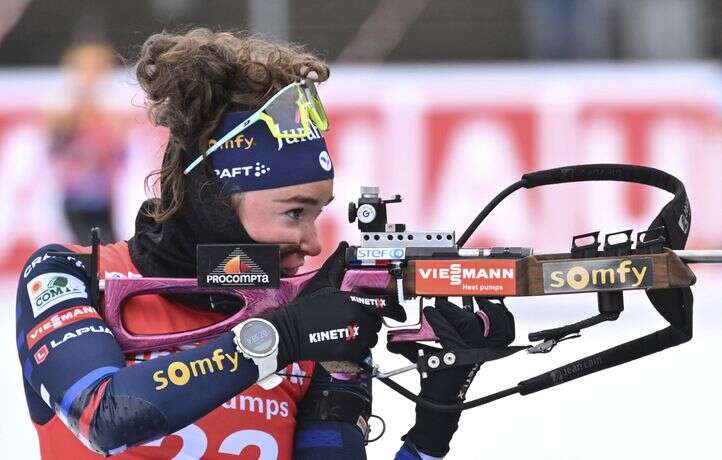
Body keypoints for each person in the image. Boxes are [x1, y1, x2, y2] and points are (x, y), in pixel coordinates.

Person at [15, 29, 515, 459]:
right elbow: (106, 415)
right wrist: (281, 338)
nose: (314, 244)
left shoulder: (309, 324)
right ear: (212, 199)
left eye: (318, 213)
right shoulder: (71, 276)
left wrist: (435, 417)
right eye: (293, 212)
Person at [46, 41, 124, 245]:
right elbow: (54, 146)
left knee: (107, 248)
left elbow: (118, 153)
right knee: (85, 249)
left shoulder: (109, 115)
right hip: (76, 198)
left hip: (102, 198)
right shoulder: (62, 113)